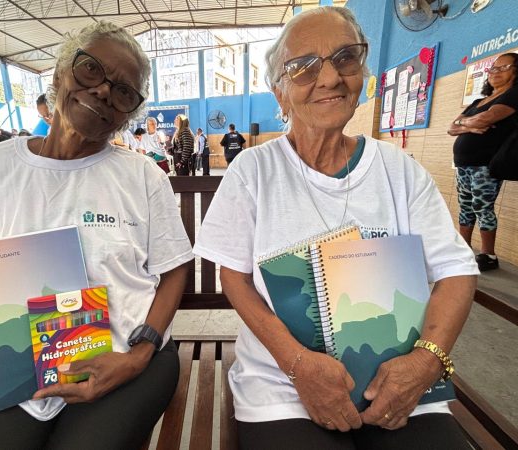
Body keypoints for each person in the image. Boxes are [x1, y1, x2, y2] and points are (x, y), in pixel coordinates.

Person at [194, 7, 478, 450]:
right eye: (303, 67)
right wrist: (297, 365)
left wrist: (425, 362)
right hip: (283, 384)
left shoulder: (399, 170)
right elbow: (234, 276)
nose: (329, 78)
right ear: (280, 93)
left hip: (398, 380)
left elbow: (456, 270)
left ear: (362, 73)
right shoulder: (253, 170)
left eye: (345, 58)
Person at [0, 21, 192, 450]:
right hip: (26, 363)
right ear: (60, 72)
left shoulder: (142, 177)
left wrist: (138, 356)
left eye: (124, 91)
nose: (103, 91)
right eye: (91, 69)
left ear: (129, 113)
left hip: (126, 353)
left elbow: (174, 270)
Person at [448, 52, 518, 272]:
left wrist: (465, 122)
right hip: (463, 163)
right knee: (466, 206)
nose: (495, 72)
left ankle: (488, 255)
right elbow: (452, 127)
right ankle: (464, 248)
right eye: (493, 68)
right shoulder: (479, 101)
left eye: (503, 68)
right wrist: (468, 125)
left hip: (485, 164)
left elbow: (486, 118)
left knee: (482, 207)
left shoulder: (513, 95)